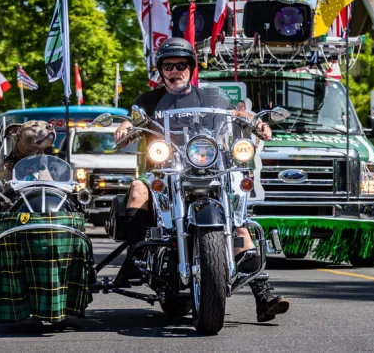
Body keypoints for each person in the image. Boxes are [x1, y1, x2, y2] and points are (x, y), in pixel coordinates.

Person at [115, 37, 289, 323]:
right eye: (168, 65)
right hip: (165, 170)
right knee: (137, 188)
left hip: (206, 168)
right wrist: (124, 128)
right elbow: (131, 119)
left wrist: (256, 121)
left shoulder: (210, 97)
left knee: (237, 225)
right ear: (161, 70)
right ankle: (135, 260)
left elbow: (236, 112)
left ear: (190, 68)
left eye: (180, 65)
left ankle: (263, 293)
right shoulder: (149, 100)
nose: (174, 70)